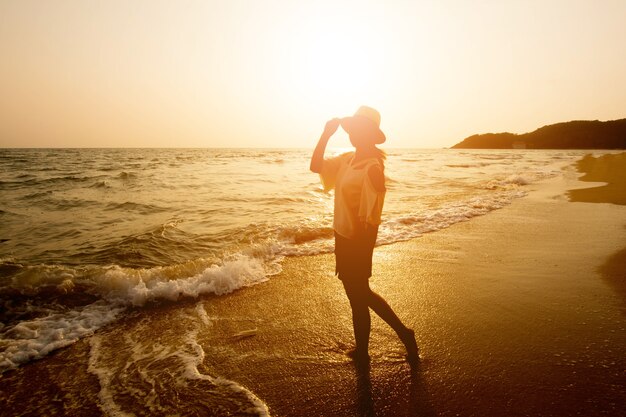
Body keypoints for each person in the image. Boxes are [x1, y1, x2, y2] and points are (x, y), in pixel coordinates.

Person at [310, 105, 419, 364]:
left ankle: (393, 339)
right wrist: (326, 134)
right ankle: (369, 348)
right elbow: (316, 167)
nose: (352, 134)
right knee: (357, 296)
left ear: (369, 134)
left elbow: (372, 218)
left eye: (358, 130)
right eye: (351, 130)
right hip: (342, 235)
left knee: (360, 295)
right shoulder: (348, 159)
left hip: (359, 240)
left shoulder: (372, 168)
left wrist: (361, 251)